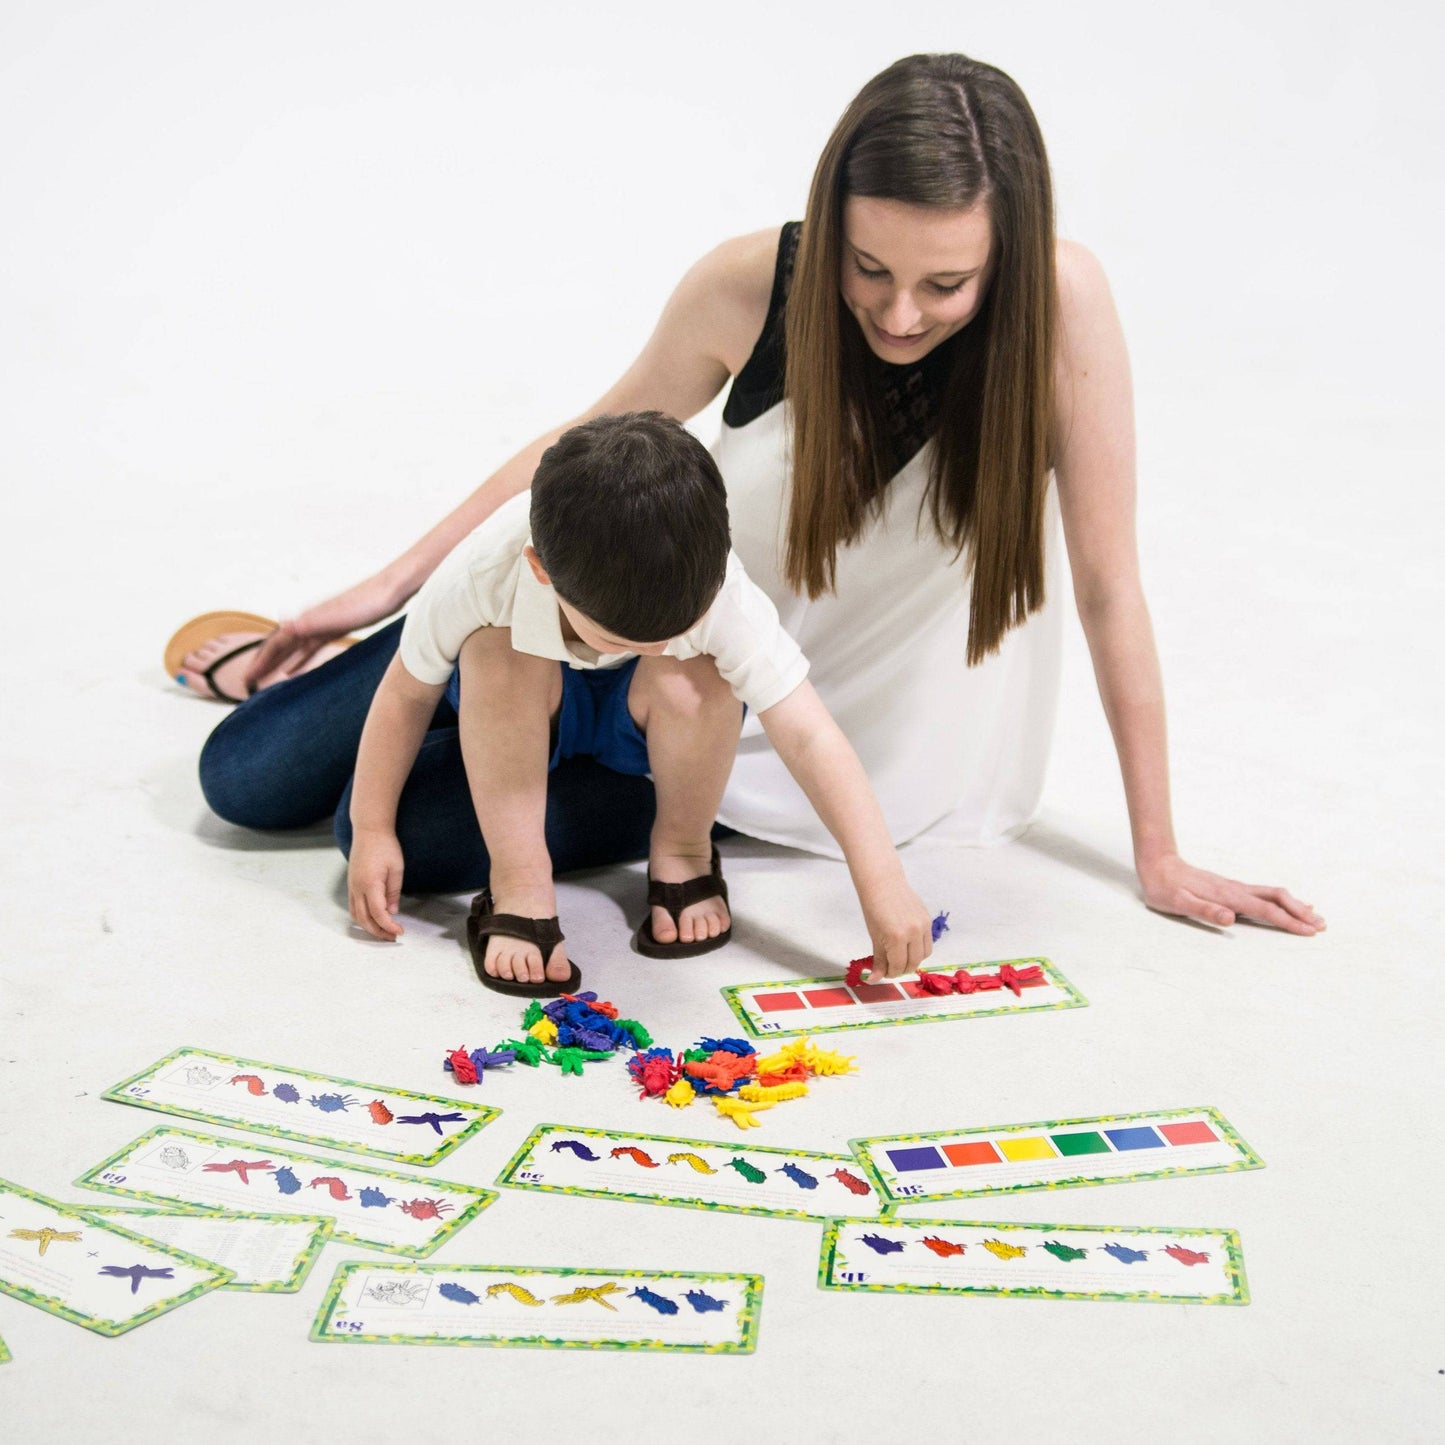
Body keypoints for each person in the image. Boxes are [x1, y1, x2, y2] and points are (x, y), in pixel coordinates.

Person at [179, 52, 1323, 938]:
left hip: (739, 724)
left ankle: (488, 717)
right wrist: (389, 585)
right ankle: (432, 676)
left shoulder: (1064, 310)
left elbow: (1108, 585)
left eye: (945, 283)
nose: (899, 315)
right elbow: (580, 447)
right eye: (866, 267)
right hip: (616, 610)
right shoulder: (749, 281)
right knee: (243, 778)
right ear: (828, 220)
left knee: (359, 829)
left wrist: (1157, 851)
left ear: (1007, 252)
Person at [345, 411, 933, 994]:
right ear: (541, 569)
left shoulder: (721, 589)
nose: (652, 646)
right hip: (534, 706)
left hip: (641, 715)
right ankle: (520, 882)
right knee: (495, 655)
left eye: (673, 630)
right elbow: (404, 694)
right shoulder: (484, 570)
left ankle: (683, 847)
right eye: (621, 640)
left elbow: (808, 732)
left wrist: (881, 877)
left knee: (699, 670)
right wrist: (371, 826)